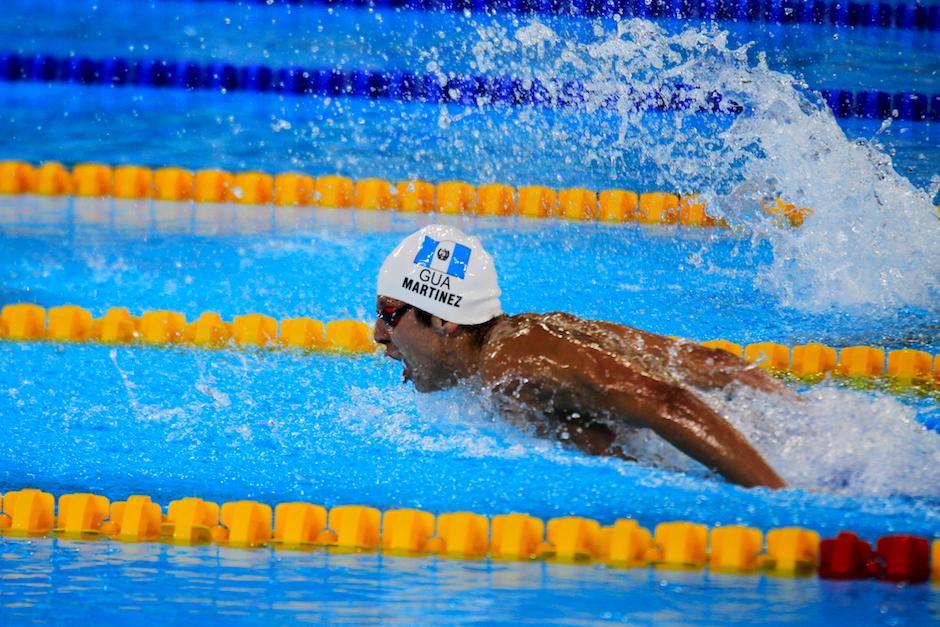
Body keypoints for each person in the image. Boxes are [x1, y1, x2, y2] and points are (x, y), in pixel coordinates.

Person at [373, 224, 788, 489]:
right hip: (776, 426)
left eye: (390, 313)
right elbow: (709, 363)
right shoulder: (513, 351)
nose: (378, 334)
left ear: (445, 319)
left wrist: (778, 502)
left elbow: (665, 401)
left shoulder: (515, 364)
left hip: (777, 453)